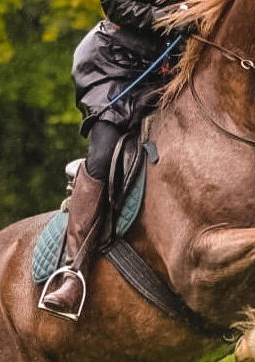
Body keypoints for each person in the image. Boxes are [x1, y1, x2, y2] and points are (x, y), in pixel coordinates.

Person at [40, 0, 190, 321]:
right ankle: (73, 271)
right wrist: (168, 17)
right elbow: (117, 5)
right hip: (115, 64)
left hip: (174, 65)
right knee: (105, 150)